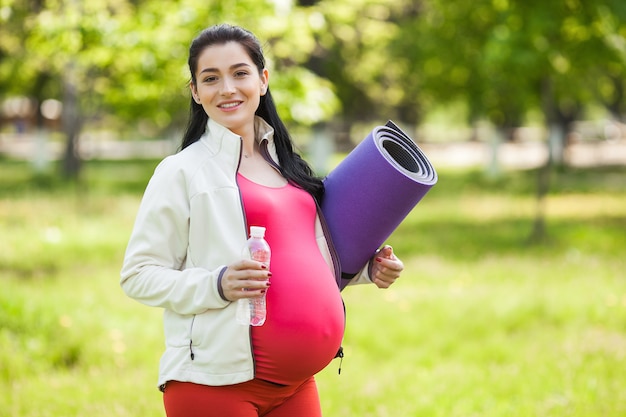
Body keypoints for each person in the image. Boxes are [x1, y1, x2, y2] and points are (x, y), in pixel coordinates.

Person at [120, 23, 404, 417]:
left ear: (263, 80)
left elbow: (304, 255)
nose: (227, 88)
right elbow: (137, 275)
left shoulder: (289, 166)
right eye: (210, 78)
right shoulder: (182, 172)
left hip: (297, 386)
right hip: (214, 385)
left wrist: (367, 270)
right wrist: (216, 284)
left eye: (240, 73)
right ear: (195, 92)